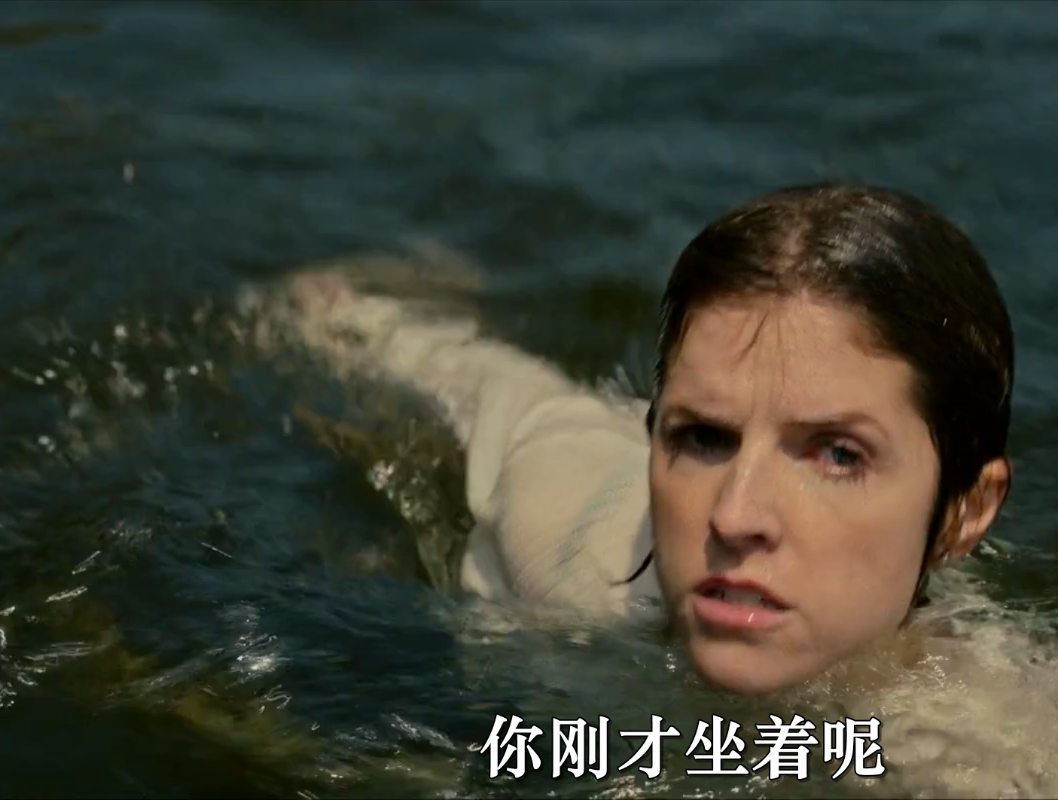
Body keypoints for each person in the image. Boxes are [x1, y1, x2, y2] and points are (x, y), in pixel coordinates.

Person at [274, 183, 1015, 699]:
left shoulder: (997, 732)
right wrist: (328, 322)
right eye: (704, 437)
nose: (734, 516)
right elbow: (487, 392)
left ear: (967, 512)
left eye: (838, 455)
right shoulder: (564, 554)